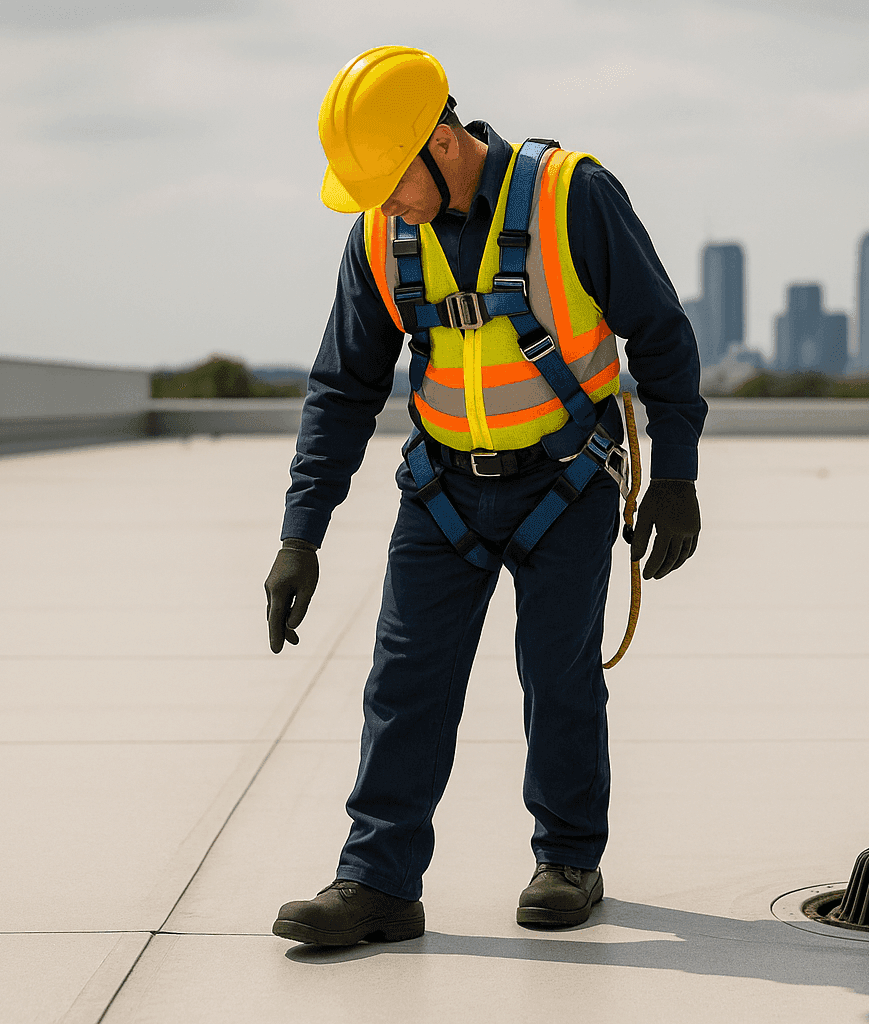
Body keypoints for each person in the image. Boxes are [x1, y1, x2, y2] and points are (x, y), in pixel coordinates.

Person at [265, 45, 706, 947]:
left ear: (442, 141)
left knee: (559, 675)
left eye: (390, 180)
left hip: (568, 483)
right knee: (404, 684)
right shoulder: (382, 236)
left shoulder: (570, 196)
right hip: (441, 493)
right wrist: (300, 533)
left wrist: (677, 474)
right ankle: (378, 881)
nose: (384, 203)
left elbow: (661, 334)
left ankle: (569, 859)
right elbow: (344, 387)